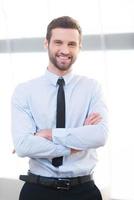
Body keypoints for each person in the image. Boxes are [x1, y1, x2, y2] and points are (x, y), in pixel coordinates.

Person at [11, 16, 108, 200]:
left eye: (72, 44)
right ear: (46, 43)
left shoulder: (92, 88)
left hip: (85, 192)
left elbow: (99, 135)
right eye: (58, 42)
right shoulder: (25, 91)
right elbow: (23, 145)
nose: (65, 50)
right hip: (38, 191)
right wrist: (76, 144)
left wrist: (49, 134)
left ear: (80, 46)